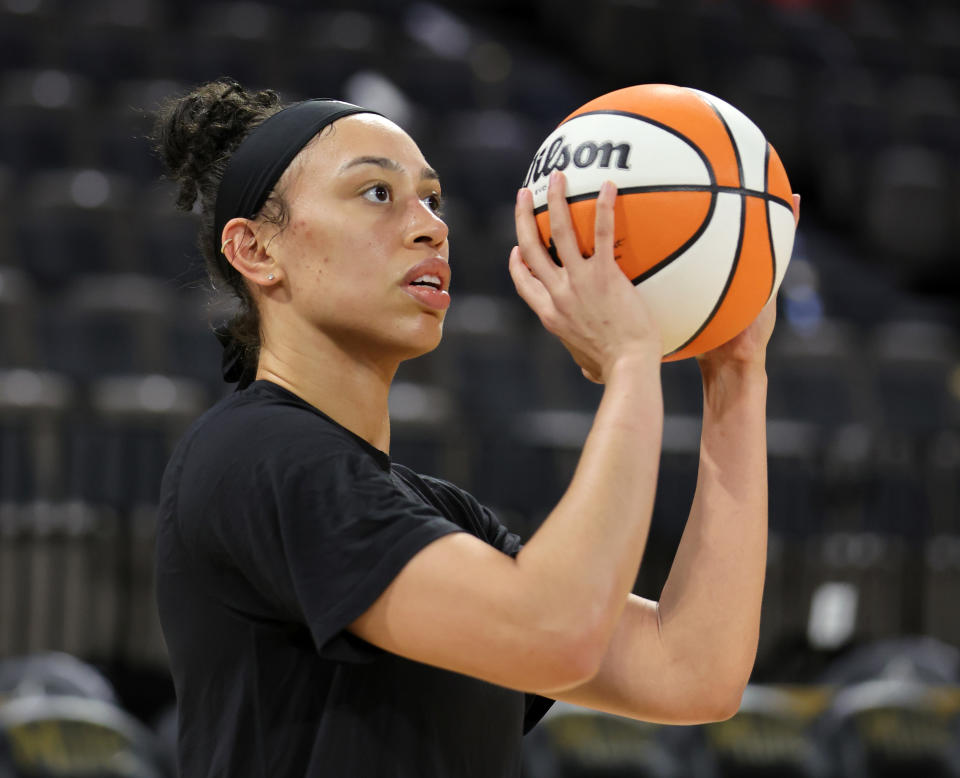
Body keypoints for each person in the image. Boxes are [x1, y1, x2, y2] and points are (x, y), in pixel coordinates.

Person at [152, 78, 798, 778]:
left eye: (433, 198)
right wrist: (632, 361)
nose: (432, 225)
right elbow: (555, 633)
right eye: (377, 194)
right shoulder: (256, 455)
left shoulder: (444, 515)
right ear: (255, 251)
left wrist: (736, 373)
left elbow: (692, 671)